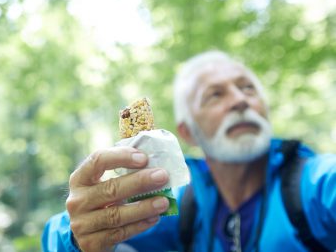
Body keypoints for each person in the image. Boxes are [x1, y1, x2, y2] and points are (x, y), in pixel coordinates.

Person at [42, 50, 336, 252]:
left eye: (248, 88)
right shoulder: (179, 203)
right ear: (188, 132)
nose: (240, 101)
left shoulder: (313, 185)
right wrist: (76, 238)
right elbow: (61, 233)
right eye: (215, 95)